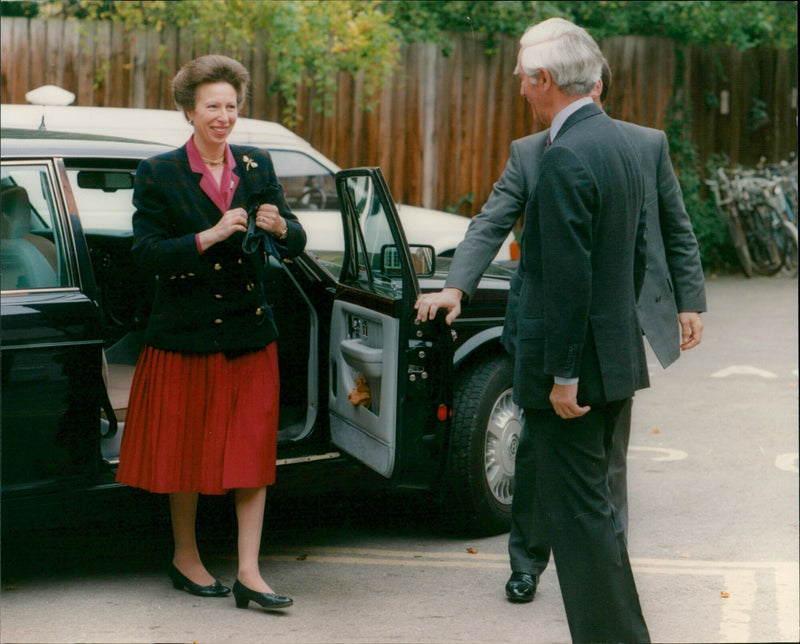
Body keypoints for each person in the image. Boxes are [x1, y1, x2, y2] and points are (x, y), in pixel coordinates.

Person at [418, 46, 705, 608]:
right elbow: (491, 220)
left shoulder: (645, 144)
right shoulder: (529, 151)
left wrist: (689, 301)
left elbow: (674, 225)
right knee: (535, 454)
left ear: (598, 88)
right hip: (544, 329)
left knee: (608, 460)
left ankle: (607, 567)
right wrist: (456, 285)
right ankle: (526, 563)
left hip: (614, 326)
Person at [116, 55, 305, 612]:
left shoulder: (256, 163)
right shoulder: (159, 172)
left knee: (251, 454)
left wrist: (281, 227)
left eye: (231, 105)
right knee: (187, 453)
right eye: (211, 106)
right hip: (186, 336)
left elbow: (292, 241)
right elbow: (145, 256)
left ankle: (249, 572)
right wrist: (211, 234)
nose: (223, 116)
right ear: (188, 111)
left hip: (250, 334)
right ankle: (186, 557)